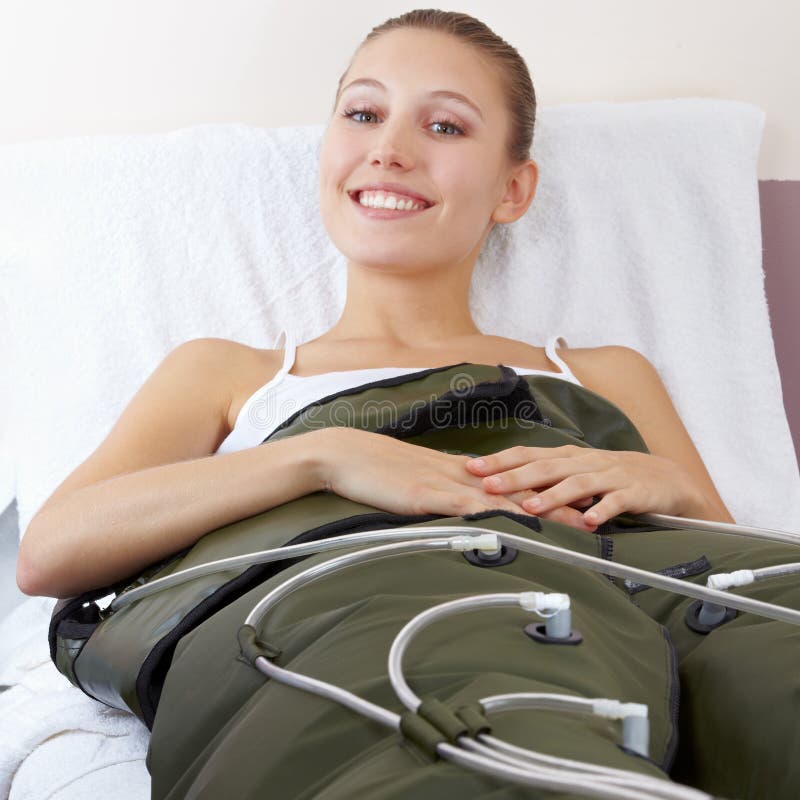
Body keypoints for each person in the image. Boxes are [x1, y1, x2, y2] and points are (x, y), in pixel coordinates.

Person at [16, 9, 732, 604]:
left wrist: (679, 494)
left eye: (445, 126)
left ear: (513, 191)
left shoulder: (601, 374)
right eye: (363, 113)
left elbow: (745, 588)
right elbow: (50, 555)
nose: (388, 149)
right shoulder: (227, 375)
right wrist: (323, 458)